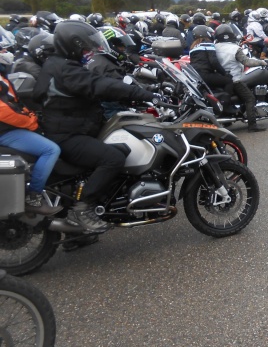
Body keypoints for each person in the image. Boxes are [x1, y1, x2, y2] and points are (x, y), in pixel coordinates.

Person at [32, 20, 159, 232]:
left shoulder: (59, 64)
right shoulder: (66, 70)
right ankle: (82, 209)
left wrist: (133, 99)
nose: (88, 53)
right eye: (84, 48)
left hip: (71, 128)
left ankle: (81, 233)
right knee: (113, 158)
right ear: (71, 45)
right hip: (68, 135)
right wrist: (145, 94)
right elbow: (100, 85)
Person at [0, 71, 62, 215]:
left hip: (8, 126)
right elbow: (4, 111)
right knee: (51, 150)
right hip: (5, 131)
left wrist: (30, 115)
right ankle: (33, 197)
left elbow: (13, 102)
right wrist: (31, 122)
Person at [214, 24, 268, 132]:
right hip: (235, 80)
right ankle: (252, 125)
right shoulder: (235, 49)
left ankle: (228, 120)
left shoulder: (215, 47)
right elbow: (247, 61)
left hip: (221, 79)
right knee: (250, 98)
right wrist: (262, 62)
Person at [188, 25, 235, 94]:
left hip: (195, 75)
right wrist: (225, 73)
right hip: (205, 74)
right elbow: (214, 62)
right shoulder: (207, 43)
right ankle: (225, 103)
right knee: (229, 81)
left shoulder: (193, 47)